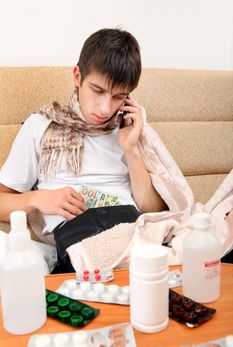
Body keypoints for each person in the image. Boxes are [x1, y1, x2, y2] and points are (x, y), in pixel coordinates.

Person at [0, 28, 165, 271]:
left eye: (119, 96)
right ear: (77, 76)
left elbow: (153, 209)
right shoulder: (41, 125)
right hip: (77, 238)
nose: (105, 108)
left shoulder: (130, 128)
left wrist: (131, 148)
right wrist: (40, 199)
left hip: (131, 230)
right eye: (97, 91)